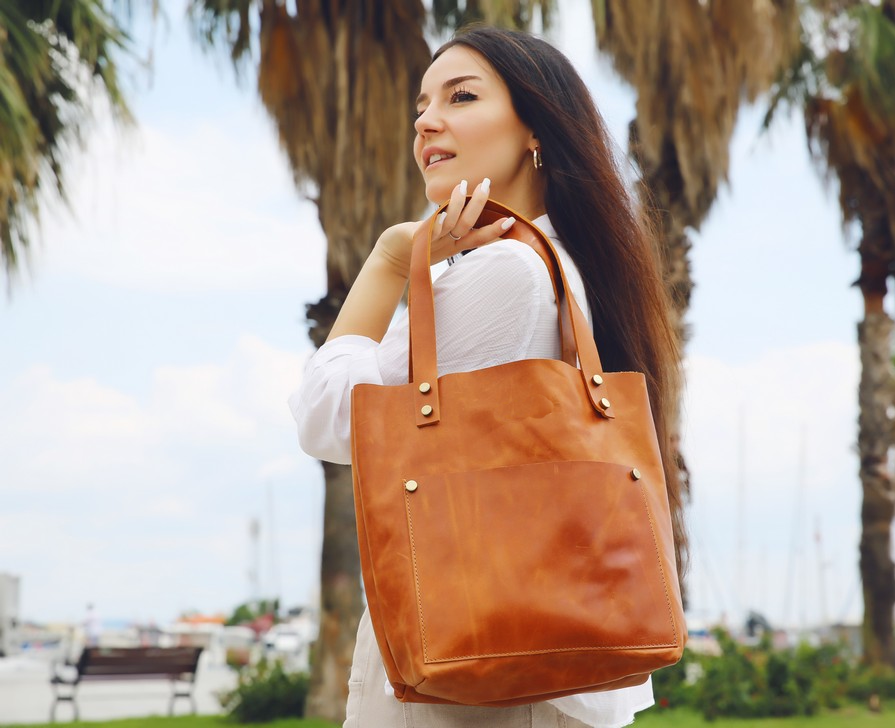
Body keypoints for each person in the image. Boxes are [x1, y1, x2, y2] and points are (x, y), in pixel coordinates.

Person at [289, 25, 687, 728]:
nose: (426, 122)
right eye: (421, 105)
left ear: (535, 127)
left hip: (473, 691)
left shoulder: (508, 270)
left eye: (460, 96)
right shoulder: (570, 266)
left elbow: (325, 417)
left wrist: (389, 261)